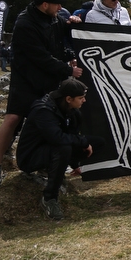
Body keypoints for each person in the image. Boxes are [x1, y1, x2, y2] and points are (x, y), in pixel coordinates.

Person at [0, 0, 83, 188]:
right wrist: (67, 71)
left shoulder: (55, 18)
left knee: (50, 121)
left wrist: (74, 25)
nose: (61, 7)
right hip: (25, 81)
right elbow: (40, 57)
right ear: (44, 5)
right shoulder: (24, 24)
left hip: (48, 81)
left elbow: (59, 44)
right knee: (14, 118)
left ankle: (48, 162)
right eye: (57, 3)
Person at [17, 78, 103, 220]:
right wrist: (82, 142)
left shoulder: (72, 111)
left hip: (52, 149)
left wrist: (75, 164)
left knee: (97, 143)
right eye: (81, 98)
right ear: (68, 98)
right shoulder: (43, 110)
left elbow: (71, 135)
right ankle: (49, 198)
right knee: (64, 148)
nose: (84, 101)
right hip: (30, 158)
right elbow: (57, 138)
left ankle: (59, 168)